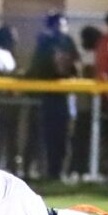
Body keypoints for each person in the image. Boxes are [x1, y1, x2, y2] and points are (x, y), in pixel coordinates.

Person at [28, 11, 79, 180]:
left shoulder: (68, 42)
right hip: (48, 96)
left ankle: (60, 172)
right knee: (48, 136)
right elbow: (37, 68)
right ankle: (48, 172)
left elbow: (75, 66)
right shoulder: (44, 43)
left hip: (66, 95)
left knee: (66, 137)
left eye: (63, 24)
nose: (61, 28)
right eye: (57, 25)